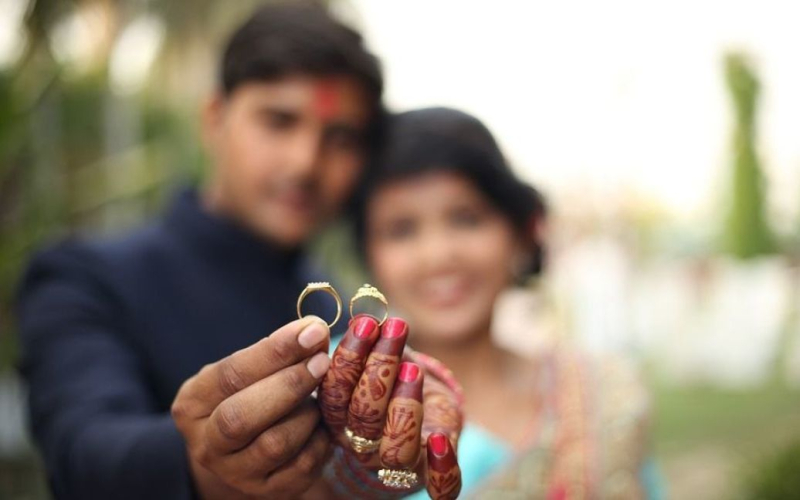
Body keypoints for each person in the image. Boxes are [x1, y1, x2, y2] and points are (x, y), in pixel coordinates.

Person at [16, 4, 460, 499]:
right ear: (214, 118)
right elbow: (81, 452)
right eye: (279, 121)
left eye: (340, 137)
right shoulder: (86, 278)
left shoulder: (343, 308)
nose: (305, 162)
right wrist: (202, 463)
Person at [351, 107, 663, 498]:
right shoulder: (332, 402)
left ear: (517, 233)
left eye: (466, 218)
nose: (438, 254)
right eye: (402, 230)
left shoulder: (607, 397)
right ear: (369, 253)